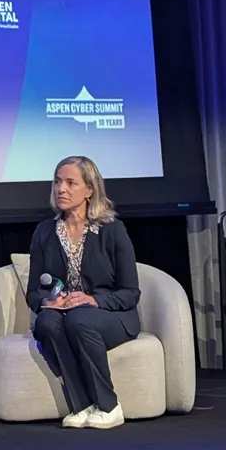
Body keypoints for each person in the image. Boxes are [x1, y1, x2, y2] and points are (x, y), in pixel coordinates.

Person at [26, 156, 140, 430]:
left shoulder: (112, 230)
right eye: (57, 182)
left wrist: (93, 300)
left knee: (80, 319)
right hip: (67, 316)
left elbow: (130, 292)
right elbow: (33, 293)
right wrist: (49, 302)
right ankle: (81, 405)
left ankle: (110, 407)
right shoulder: (45, 232)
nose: (60, 189)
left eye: (70, 183)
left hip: (113, 316)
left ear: (89, 190)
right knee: (45, 323)